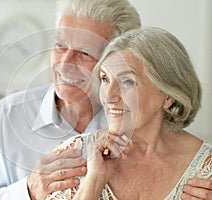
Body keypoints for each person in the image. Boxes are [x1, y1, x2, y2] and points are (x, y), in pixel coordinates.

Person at [0, 0, 212, 199]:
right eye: (60, 46)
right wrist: (29, 191)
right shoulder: (8, 116)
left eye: (85, 53)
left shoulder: (144, 121)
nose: (65, 64)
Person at [46, 27, 212, 200]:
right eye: (105, 79)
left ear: (168, 96)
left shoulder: (205, 168)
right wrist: (93, 183)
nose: (109, 96)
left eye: (127, 82)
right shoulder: (73, 155)